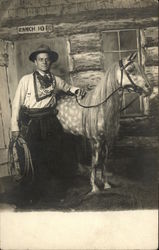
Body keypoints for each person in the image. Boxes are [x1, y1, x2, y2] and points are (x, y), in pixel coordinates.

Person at [11, 44, 86, 202]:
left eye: (47, 59)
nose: (44, 62)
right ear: (35, 62)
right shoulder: (26, 80)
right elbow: (16, 104)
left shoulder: (55, 79)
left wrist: (78, 90)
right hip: (33, 122)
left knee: (55, 156)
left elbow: (68, 87)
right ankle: (34, 195)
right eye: (41, 59)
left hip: (51, 122)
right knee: (35, 158)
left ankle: (54, 195)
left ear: (51, 62)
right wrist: (14, 127)